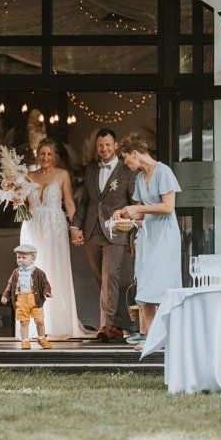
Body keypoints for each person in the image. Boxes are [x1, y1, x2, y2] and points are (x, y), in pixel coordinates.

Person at [113, 133, 183, 353]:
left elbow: (168, 207)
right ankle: (153, 338)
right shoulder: (139, 178)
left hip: (165, 236)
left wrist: (138, 208)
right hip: (148, 236)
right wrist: (125, 214)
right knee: (143, 289)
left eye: (126, 159)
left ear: (135, 153)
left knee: (162, 286)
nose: (126, 164)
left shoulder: (163, 171)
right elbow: (142, 212)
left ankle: (172, 335)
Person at [69, 128, 137, 343]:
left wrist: (134, 236)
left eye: (108, 144)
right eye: (100, 145)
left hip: (116, 233)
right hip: (92, 232)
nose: (104, 148)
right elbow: (85, 202)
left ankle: (105, 327)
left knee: (110, 279)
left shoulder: (127, 170)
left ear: (115, 145)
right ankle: (115, 324)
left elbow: (134, 203)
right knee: (102, 280)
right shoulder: (90, 169)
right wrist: (75, 226)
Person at [19, 138, 89, 340]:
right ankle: (34, 327)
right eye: (42, 153)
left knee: (55, 271)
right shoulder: (28, 176)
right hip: (32, 227)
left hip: (55, 228)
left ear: (55, 156)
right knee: (32, 273)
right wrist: (14, 196)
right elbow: (22, 205)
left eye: (49, 154)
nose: (45, 157)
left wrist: (75, 228)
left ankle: (57, 323)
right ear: (37, 155)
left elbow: (69, 203)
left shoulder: (62, 175)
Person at [2, 244, 53, 350]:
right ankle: (25, 341)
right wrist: (6, 295)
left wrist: (47, 292)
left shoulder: (38, 272)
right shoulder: (16, 272)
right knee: (24, 321)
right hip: (21, 299)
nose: (20, 260)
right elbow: (10, 285)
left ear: (33, 259)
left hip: (35, 299)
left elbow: (45, 284)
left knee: (39, 321)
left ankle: (41, 338)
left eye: (24, 257)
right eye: (18, 257)